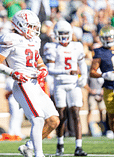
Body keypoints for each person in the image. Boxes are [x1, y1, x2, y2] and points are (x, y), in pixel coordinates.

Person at [0, 10, 60, 157]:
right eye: (30, 26)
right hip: (22, 83)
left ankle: (28, 147)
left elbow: (39, 62)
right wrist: (13, 72)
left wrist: (43, 70)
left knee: (54, 120)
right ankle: (39, 154)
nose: (34, 30)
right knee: (38, 118)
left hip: (35, 84)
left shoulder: (34, 40)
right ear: (20, 24)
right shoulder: (11, 38)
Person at [43, 20, 88, 156]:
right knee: (61, 115)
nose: (63, 35)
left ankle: (78, 147)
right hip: (60, 84)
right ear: (56, 34)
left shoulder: (77, 46)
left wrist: (84, 76)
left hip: (73, 84)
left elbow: (83, 63)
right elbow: (50, 69)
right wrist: (66, 71)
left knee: (76, 113)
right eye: (60, 33)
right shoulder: (52, 47)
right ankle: (60, 143)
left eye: (65, 33)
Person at [90, 25, 114, 141]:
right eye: (106, 37)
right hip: (109, 87)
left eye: (110, 37)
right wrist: (103, 75)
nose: (108, 39)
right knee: (111, 116)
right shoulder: (99, 52)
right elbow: (92, 72)